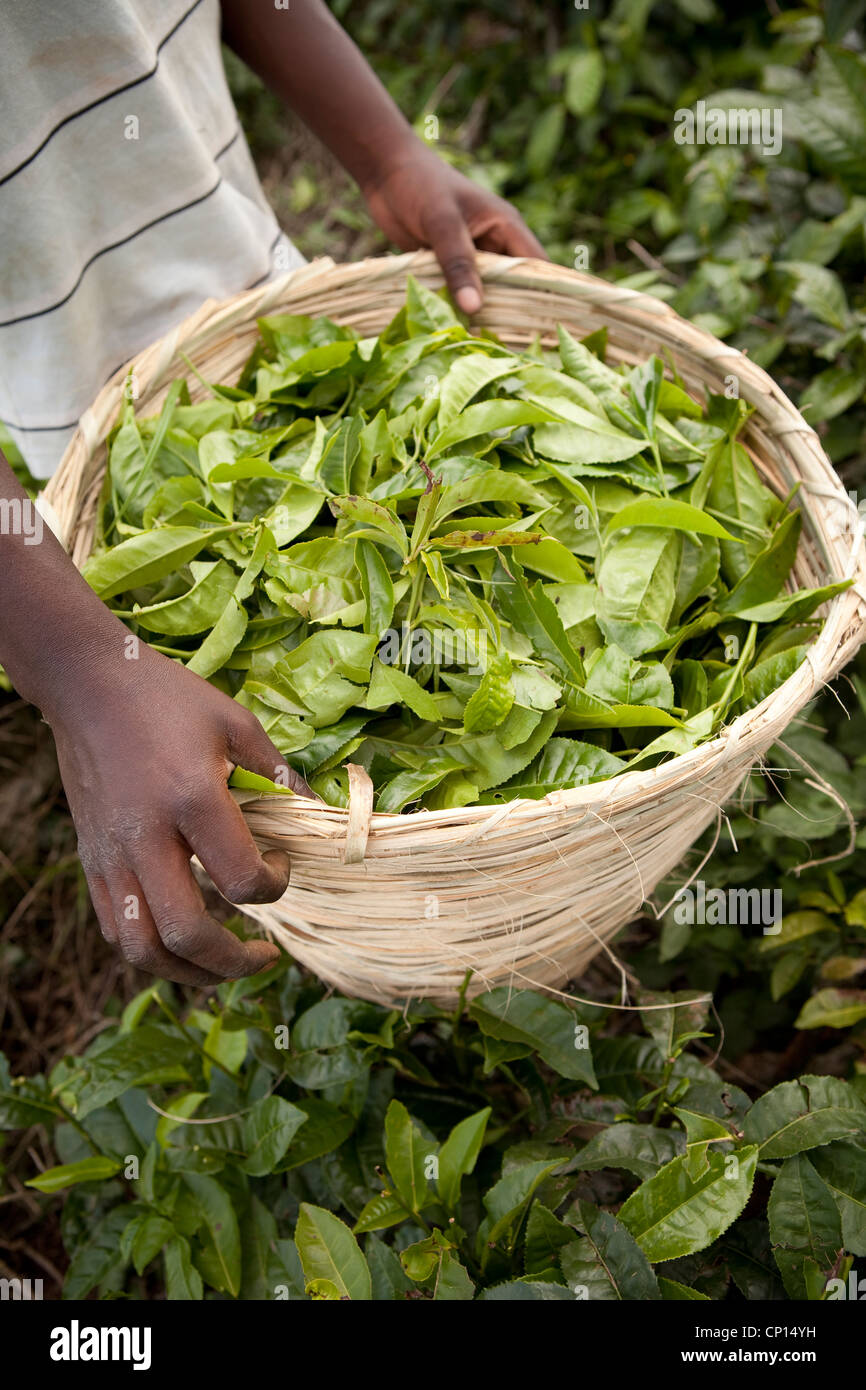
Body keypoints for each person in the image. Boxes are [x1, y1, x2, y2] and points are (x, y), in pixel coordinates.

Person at [0, 0, 546, 985]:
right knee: (170, 669)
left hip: (257, 310)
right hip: (53, 383)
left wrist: (386, 154)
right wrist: (77, 671)